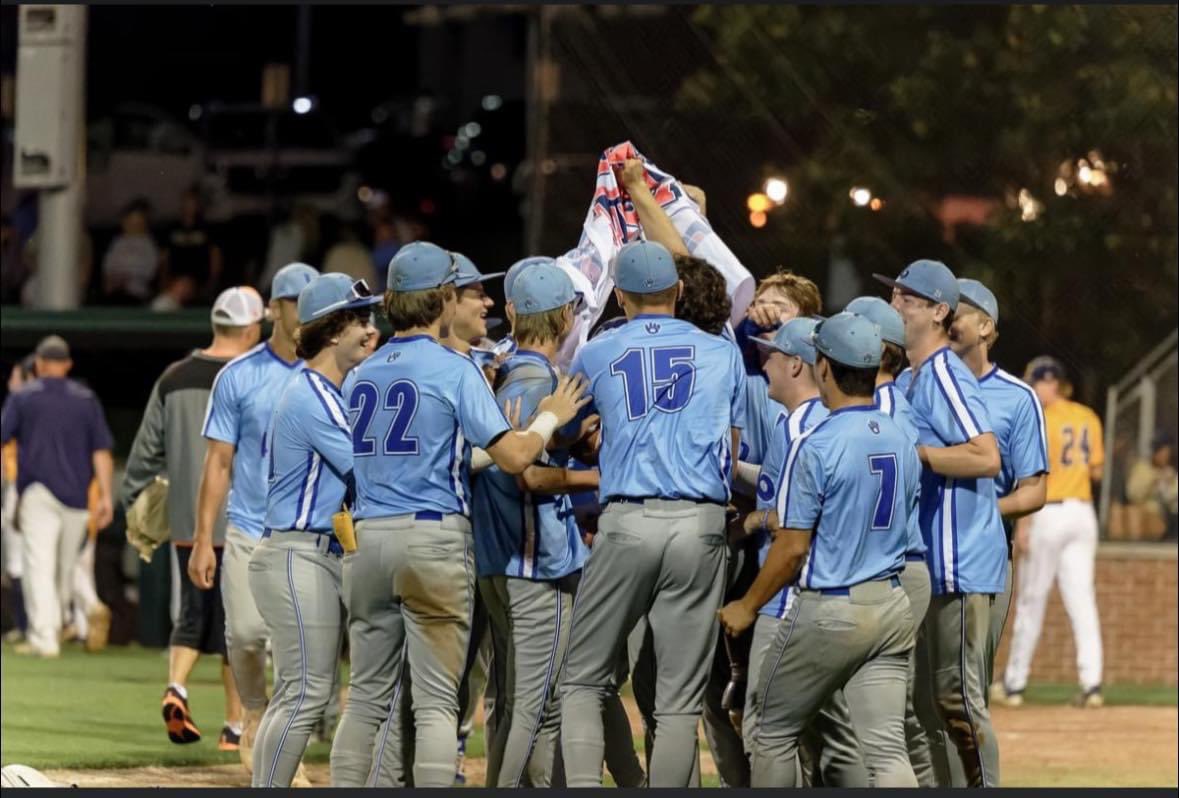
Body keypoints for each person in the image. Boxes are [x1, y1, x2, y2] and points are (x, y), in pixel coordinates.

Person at [330, 241, 589, 788]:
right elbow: (517, 457)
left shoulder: (359, 373)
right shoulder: (454, 367)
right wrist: (548, 419)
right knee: (435, 704)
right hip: (431, 536)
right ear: (444, 298)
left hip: (367, 538)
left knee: (367, 701)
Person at [558, 240, 745, 788]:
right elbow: (730, 454)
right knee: (680, 701)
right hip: (701, 522)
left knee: (584, 680)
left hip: (629, 518)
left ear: (620, 294)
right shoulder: (722, 351)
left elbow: (572, 427)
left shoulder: (597, 351)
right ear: (678, 290)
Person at [717, 312, 920, 788]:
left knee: (770, 732)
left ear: (823, 367)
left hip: (833, 604)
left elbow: (791, 550)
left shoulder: (819, 443)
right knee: (887, 751)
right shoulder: (902, 437)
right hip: (891, 602)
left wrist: (747, 606)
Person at [875, 260, 1005, 787]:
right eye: (895, 295)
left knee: (958, 700)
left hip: (960, 558)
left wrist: (919, 454)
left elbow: (986, 457)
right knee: (929, 705)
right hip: (933, 558)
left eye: (907, 298)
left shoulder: (946, 374)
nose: (895, 305)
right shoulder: (914, 376)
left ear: (938, 311)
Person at [249, 273, 381, 787]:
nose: (369, 329)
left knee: (295, 693)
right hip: (297, 552)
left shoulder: (325, 388)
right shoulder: (314, 393)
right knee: (305, 694)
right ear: (332, 330)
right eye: (359, 319)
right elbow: (366, 467)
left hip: (304, 551)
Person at [121, 287, 265, 749]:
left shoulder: (173, 377)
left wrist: (133, 498)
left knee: (190, 613)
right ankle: (234, 726)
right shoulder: (254, 376)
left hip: (188, 521)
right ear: (250, 328)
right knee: (236, 625)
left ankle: (177, 686)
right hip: (245, 517)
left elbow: (145, 452)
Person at [191, 261, 318, 774]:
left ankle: (285, 752)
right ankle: (253, 710)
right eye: (296, 303)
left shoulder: (336, 374)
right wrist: (203, 538)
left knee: (300, 649)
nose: (306, 314)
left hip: (310, 531)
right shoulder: (239, 374)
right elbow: (218, 462)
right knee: (244, 635)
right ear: (275, 309)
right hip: (248, 525)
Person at [473, 262, 595, 787]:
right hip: (533, 562)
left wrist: (569, 440)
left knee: (513, 699)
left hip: (496, 559)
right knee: (537, 704)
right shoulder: (542, 379)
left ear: (512, 313)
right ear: (567, 316)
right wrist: (595, 475)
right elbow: (528, 476)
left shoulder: (498, 371)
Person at [946, 280, 1049, 718]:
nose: (944, 318)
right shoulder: (916, 384)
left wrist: (980, 510)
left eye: (956, 312)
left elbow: (1034, 490)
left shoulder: (1017, 396)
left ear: (985, 325)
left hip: (983, 554)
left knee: (965, 697)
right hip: (918, 558)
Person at [844, 295, 935, 784]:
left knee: (883, 715)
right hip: (891, 566)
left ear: (880, 350)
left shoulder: (882, 408)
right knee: (891, 712)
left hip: (894, 568)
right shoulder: (888, 402)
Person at [998, 356, 1106, 708]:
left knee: (1032, 599)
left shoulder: (1040, 417)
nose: (1033, 387)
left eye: (1036, 381)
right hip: (1082, 512)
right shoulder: (1087, 416)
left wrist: (1024, 526)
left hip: (1049, 511)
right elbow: (1097, 472)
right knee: (1082, 601)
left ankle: (1014, 684)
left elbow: (1032, 476)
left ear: (1050, 383)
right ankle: (1092, 684)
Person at [1, 336, 115, 658]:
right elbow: (102, 452)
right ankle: (51, 628)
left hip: (38, 490)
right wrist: (106, 495)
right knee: (64, 570)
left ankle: (46, 635)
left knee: (40, 564)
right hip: (78, 496)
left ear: (38, 363)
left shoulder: (23, 397)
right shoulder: (87, 399)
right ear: (66, 364)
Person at [157, 188, 224, 308]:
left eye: (193, 202)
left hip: (198, 282)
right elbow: (164, 259)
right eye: (187, 202)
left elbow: (215, 258)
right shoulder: (172, 228)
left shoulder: (207, 228)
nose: (189, 206)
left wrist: (211, 284)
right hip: (175, 282)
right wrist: (164, 282)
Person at [101, 199, 160, 304]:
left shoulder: (148, 245)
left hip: (136, 292)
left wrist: (127, 278)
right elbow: (108, 265)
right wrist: (112, 279)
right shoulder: (118, 242)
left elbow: (149, 272)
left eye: (137, 221)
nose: (132, 225)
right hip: (115, 290)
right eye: (130, 220)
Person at [1125, 431, 1178, 541]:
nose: (1165, 456)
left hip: (1167, 518)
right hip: (1146, 516)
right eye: (1162, 452)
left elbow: (1173, 501)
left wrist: (1170, 482)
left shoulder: (1170, 471)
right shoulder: (1143, 469)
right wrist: (1153, 480)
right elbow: (1133, 495)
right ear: (1155, 452)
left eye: (1167, 453)